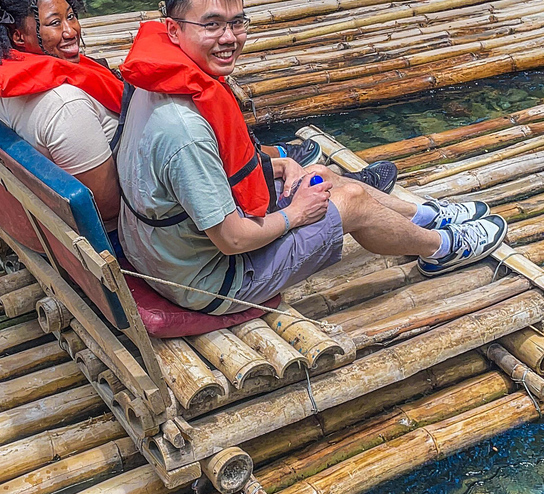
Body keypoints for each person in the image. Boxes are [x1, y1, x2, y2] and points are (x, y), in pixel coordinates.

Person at [115, 0, 507, 314]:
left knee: (315, 174)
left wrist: (277, 164)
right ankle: (440, 248)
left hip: (164, 252)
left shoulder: (152, 82)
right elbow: (233, 239)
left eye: (238, 23)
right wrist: (295, 214)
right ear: (173, 28)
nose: (229, 37)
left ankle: (424, 216)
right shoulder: (184, 130)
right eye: (212, 24)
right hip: (208, 280)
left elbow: (200, 173)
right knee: (349, 201)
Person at [0, 0, 123, 223]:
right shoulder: (65, 106)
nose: (71, 31)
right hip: (119, 236)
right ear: (18, 36)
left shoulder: (1, 91)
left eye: (71, 16)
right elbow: (107, 207)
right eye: (55, 23)